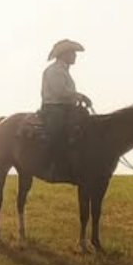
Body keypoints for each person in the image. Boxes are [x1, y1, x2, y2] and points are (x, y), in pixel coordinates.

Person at [39, 39, 92, 180]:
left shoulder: (63, 71)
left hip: (66, 108)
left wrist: (78, 98)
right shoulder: (54, 71)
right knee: (57, 131)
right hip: (54, 108)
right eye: (72, 53)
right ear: (64, 54)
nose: (75, 56)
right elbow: (60, 92)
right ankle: (50, 163)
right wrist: (80, 96)